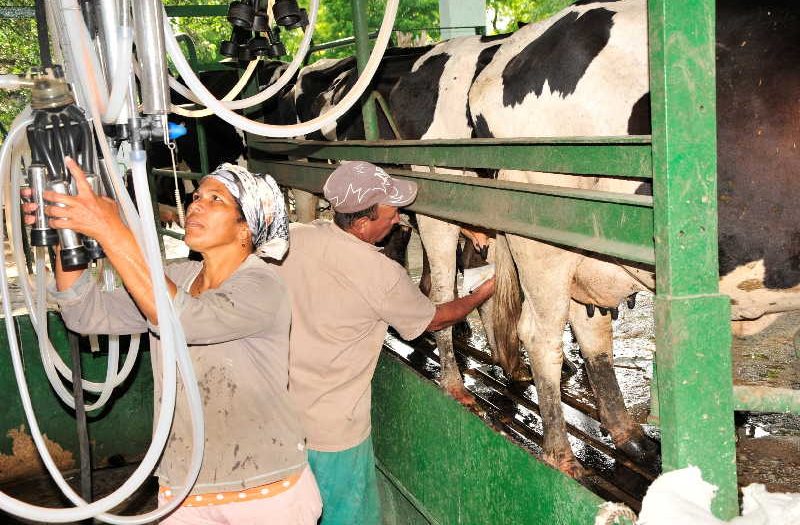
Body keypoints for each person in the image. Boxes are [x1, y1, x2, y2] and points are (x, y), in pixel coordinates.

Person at [23, 159, 321, 524]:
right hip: (184, 488)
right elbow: (85, 313)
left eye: (216, 199)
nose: (196, 204)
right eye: (197, 195)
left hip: (264, 492)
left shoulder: (263, 286)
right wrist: (64, 231)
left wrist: (110, 228)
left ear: (247, 228)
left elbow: (182, 319)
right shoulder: (181, 276)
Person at [274, 160, 495, 525]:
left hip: (283, 417)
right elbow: (435, 319)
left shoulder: (296, 238)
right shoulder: (381, 274)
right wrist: (483, 292)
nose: (398, 220)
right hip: (335, 433)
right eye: (391, 214)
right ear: (362, 223)